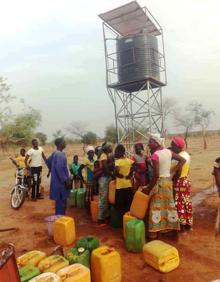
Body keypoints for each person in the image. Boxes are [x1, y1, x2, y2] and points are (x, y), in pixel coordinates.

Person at [143, 133, 185, 239]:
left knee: (155, 207)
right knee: (169, 206)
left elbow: (156, 175)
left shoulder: (155, 155)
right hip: (168, 183)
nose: (148, 144)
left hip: (159, 184)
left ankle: (155, 235)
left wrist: (148, 188)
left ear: (156, 143)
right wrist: (173, 172)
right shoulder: (169, 152)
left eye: (150, 141)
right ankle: (174, 233)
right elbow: (182, 160)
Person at [171, 137, 193, 231]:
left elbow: (178, 172)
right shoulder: (186, 155)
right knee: (186, 203)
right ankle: (189, 225)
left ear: (178, 146)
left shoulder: (179, 157)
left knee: (179, 204)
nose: (171, 146)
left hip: (179, 182)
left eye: (173, 145)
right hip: (185, 181)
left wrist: (174, 182)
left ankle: (182, 227)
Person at [46, 138, 69, 215]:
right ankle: (60, 221)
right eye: (64, 142)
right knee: (61, 204)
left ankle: (60, 220)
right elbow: (59, 168)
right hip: (61, 183)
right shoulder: (60, 154)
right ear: (60, 144)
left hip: (56, 181)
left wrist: (52, 170)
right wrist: (65, 180)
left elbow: (48, 162)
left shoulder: (55, 153)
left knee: (59, 203)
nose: (65, 143)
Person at [114, 144, 134, 217]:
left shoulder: (117, 162)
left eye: (116, 152)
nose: (115, 153)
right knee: (128, 203)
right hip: (128, 184)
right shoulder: (129, 160)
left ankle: (121, 219)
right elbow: (134, 165)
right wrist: (130, 174)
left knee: (120, 204)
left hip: (120, 186)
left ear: (120, 152)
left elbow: (116, 172)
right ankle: (128, 218)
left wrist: (118, 175)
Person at [97, 142, 114, 227]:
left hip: (106, 178)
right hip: (104, 178)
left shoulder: (106, 155)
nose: (111, 148)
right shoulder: (103, 155)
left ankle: (106, 216)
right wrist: (112, 175)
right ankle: (100, 219)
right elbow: (105, 168)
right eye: (110, 147)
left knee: (107, 197)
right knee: (103, 198)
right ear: (107, 148)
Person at [78, 146, 96, 212]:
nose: (92, 154)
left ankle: (92, 208)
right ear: (87, 153)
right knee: (88, 195)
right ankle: (87, 209)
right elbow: (79, 170)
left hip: (94, 180)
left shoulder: (95, 159)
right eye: (90, 152)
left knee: (93, 194)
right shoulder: (85, 160)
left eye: (93, 152)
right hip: (88, 179)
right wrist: (82, 179)